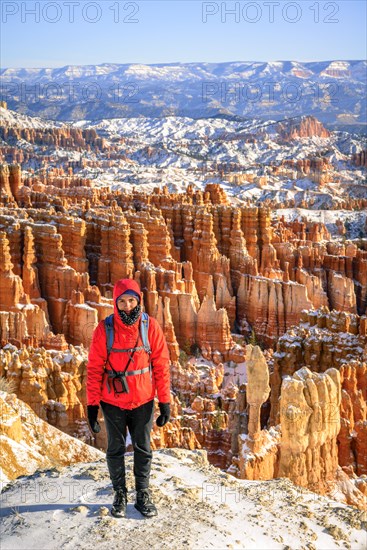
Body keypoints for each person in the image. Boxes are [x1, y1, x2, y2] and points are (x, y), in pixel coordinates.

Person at [87, 278, 171, 518]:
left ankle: (142, 494)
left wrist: (164, 401)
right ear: (115, 303)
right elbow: (94, 369)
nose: (127, 306)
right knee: (115, 448)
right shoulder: (104, 329)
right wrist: (92, 405)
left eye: (131, 300)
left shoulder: (150, 327)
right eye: (121, 301)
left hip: (143, 400)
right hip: (112, 401)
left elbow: (162, 366)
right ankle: (120, 494)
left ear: (138, 301)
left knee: (143, 448)